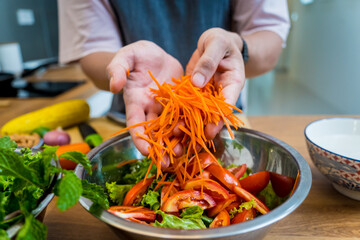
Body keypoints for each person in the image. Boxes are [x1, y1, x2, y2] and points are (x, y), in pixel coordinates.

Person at [58, 0, 290, 159]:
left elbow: (269, 37)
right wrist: (126, 66)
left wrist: (237, 46)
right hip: (140, 118)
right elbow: (91, 48)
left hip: (220, 117)